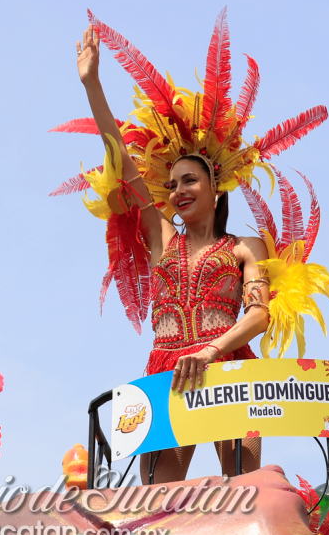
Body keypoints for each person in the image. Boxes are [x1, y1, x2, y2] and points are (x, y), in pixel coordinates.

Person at [77, 24, 271, 482]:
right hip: (164, 372)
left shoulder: (245, 247)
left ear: (215, 189)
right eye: (172, 183)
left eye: (189, 180)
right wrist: (92, 85)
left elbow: (259, 315)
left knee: (243, 491)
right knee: (156, 502)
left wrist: (211, 351)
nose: (178, 190)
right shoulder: (162, 236)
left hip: (228, 368)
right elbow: (120, 156)